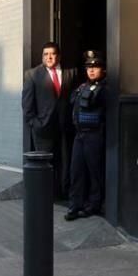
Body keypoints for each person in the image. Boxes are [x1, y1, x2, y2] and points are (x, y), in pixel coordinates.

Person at [22, 41, 80, 198]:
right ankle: (46, 196)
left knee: (66, 162)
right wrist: (35, 124)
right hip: (43, 128)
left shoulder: (71, 73)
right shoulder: (32, 75)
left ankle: (64, 193)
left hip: (65, 127)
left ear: (58, 56)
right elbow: (27, 105)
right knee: (45, 165)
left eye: (52, 54)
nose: (49, 57)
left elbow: (76, 98)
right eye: (46, 54)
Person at [65, 50, 107, 221]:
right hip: (80, 136)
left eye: (95, 67)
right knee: (76, 172)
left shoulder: (105, 89)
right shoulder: (82, 87)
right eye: (89, 67)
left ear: (102, 70)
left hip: (94, 135)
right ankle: (75, 205)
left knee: (94, 172)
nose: (91, 70)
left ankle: (93, 205)